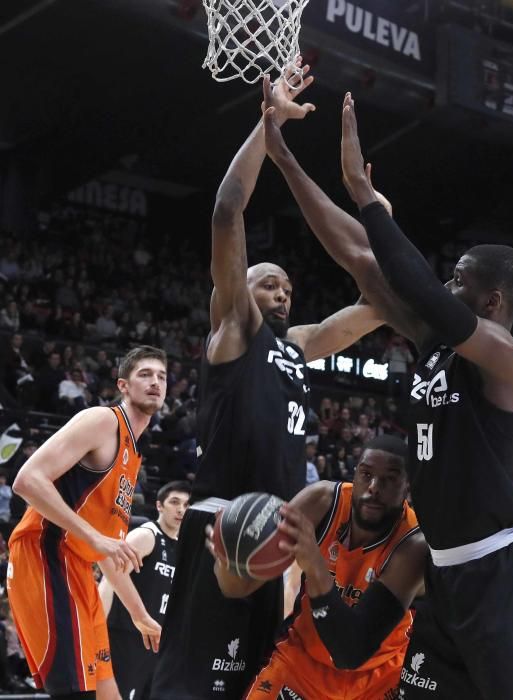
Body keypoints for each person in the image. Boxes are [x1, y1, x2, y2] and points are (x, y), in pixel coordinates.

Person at [261, 90, 513, 698]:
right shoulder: (437, 346)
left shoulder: (511, 363)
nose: (446, 286)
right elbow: (359, 256)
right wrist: (282, 155)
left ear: (492, 302)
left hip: (502, 571)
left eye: (460, 280)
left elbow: (420, 289)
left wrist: (368, 198)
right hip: (442, 567)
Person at [150, 66, 384, 700]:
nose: (281, 291)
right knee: (192, 681)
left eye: (287, 286)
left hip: (273, 533)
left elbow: (372, 310)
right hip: (224, 518)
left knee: (251, 681)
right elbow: (228, 210)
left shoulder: (299, 345)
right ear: (241, 290)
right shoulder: (235, 327)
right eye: (268, 282)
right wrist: (268, 123)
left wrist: (388, 242)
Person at [207, 435, 426, 700]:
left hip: (377, 678)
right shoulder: (322, 501)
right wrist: (229, 558)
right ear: (353, 474)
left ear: (408, 487)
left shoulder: (414, 544)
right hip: (300, 664)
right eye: (366, 474)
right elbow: (238, 588)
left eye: (389, 479)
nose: (374, 487)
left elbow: (350, 651)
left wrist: (314, 564)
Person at [7, 345, 168, 700]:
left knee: (106, 693)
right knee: (76, 694)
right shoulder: (103, 421)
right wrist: (95, 538)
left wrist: (139, 614)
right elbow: (27, 480)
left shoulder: (134, 453)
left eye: (161, 376)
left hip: (79, 569)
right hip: (45, 555)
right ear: (123, 386)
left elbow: (110, 553)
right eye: (145, 374)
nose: (155, 381)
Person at [99, 481, 191, 700]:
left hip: (157, 640)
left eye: (186, 505)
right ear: (160, 506)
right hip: (127, 636)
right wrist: (97, 625)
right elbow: (110, 576)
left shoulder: (182, 546)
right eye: (174, 502)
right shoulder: (147, 535)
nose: (180, 510)